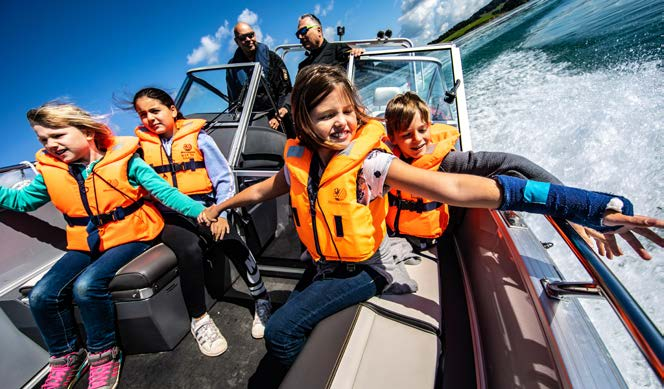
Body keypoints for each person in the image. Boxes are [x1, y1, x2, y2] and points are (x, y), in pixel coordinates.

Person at [199, 64, 664, 369]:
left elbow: (459, 188)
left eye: (346, 110)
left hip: (367, 268)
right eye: (326, 115)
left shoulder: (372, 162)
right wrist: (220, 205)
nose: (341, 122)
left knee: (279, 333)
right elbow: (267, 187)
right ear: (303, 119)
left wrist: (586, 206)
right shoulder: (300, 160)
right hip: (324, 264)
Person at [1, 102, 210, 389]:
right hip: (86, 242)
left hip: (132, 234)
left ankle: (103, 354)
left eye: (58, 135)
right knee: (41, 295)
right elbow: (21, 201)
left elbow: (164, 192)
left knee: (87, 287)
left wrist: (202, 212)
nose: (51, 145)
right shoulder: (51, 172)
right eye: (43, 140)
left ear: (86, 132)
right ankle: (66, 357)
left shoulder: (126, 160)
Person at [384, 92, 627, 258]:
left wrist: (576, 211)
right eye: (406, 135)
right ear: (393, 138)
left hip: (431, 243)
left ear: (429, 125)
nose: (417, 139)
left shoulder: (447, 161)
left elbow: (513, 164)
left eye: (422, 130)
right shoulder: (386, 163)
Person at [132, 87, 272, 349]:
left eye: (155, 110)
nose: (149, 118)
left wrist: (222, 212)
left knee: (231, 240)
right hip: (171, 217)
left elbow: (223, 179)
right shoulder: (139, 151)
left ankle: (261, 298)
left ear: (172, 110)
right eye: (142, 115)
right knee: (188, 250)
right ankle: (200, 319)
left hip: (208, 209)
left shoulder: (200, 138)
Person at [227, 22, 294, 136]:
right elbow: (233, 100)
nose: (249, 39)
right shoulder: (232, 67)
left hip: (279, 116)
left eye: (251, 35)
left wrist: (280, 114)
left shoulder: (272, 58)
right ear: (236, 41)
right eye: (243, 38)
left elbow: (286, 90)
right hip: (253, 122)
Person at [295, 13, 364, 72]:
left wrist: (357, 55)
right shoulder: (302, 66)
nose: (300, 36)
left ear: (319, 30)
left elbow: (363, 71)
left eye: (303, 31)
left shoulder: (338, 49)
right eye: (298, 34)